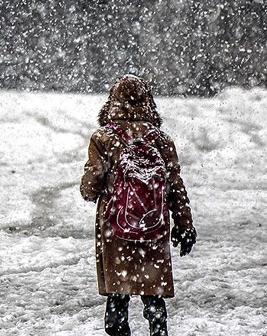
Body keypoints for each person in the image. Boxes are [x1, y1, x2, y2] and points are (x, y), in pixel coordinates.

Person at [80, 74, 196, 336]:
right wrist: (185, 224)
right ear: (148, 103)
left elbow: (91, 185)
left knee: (118, 294)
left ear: (113, 103)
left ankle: (119, 328)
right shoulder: (161, 140)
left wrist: (90, 187)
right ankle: (157, 330)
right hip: (153, 227)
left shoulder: (104, 139)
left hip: (116, 228)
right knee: (152, 293)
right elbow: (175, 186)